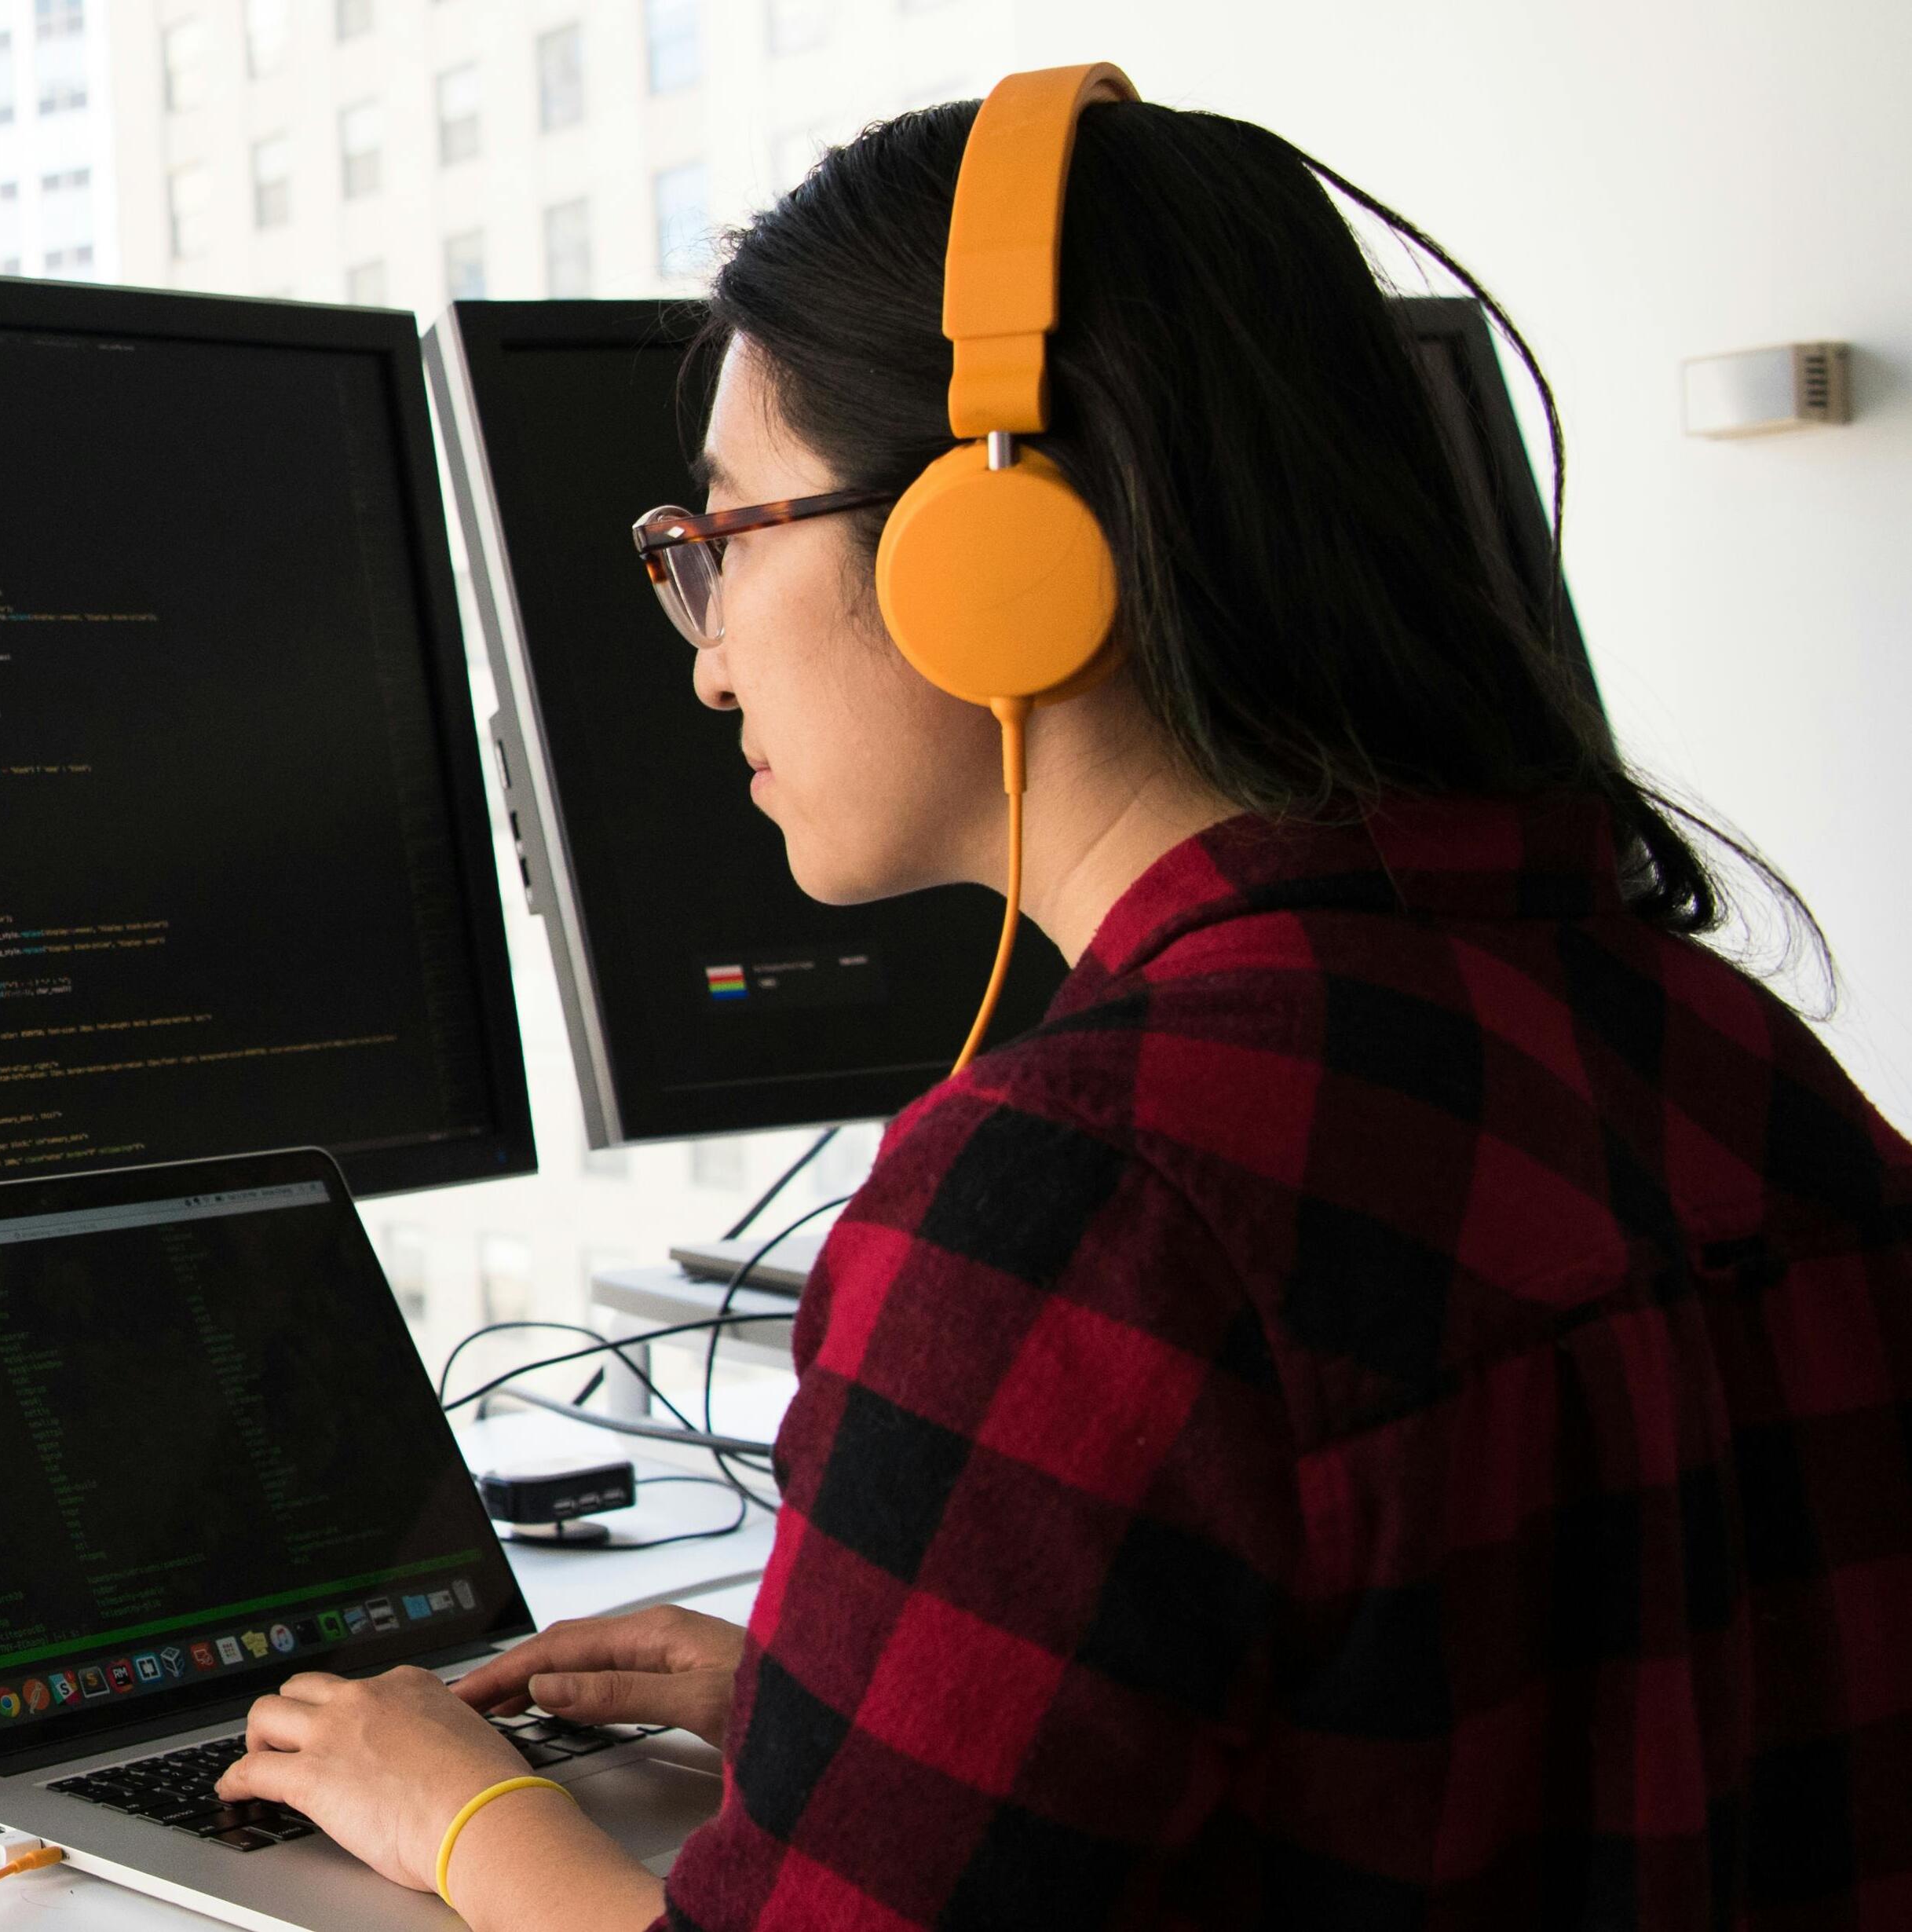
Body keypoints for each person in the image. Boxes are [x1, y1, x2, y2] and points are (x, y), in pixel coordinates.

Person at [212, 78, 1912, 1931]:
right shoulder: (1735, 1056)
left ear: (995, 557)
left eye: (723, 539)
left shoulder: (1081, 1205)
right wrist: (842, 1708)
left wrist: (461, 1815)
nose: (705, 665)